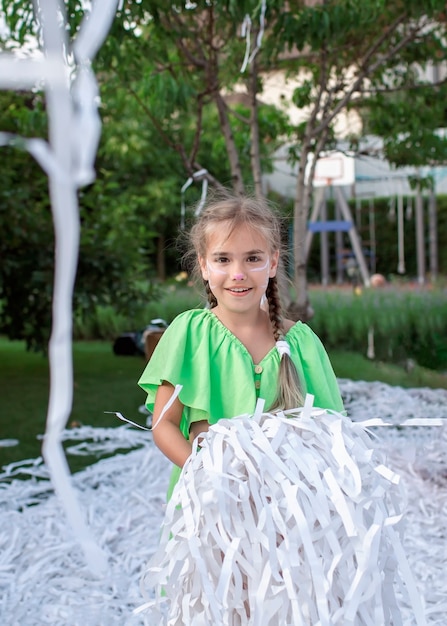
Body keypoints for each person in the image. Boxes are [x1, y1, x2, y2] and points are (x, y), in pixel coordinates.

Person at [138, 191, 344, 499]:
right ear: (204, 266)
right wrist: (206, 476)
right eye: (223, 259)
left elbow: (331, 435)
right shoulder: (190, 335)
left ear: (272, 263)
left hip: (287, 519)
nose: (238, 274)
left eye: (252, 258)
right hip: (210, 511)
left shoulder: (302, 345)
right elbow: (164, 424)